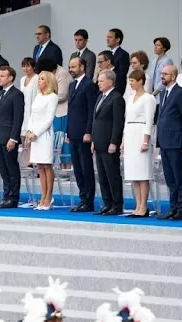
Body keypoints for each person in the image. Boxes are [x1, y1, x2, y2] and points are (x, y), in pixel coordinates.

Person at [156, 64, 182, 221]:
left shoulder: (180, 93)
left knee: (178, 176)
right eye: (162, 73)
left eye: (165, 74)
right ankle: (173, 207)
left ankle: (181, 209)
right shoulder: (164, 93)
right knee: (169, 177)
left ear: (173, 76)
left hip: (176, 141)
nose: (162, 76)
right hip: (165, 141)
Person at [65, 55, 97, 213]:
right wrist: (68, 131)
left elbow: (92, 110)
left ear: (82, 67)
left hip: (84, 133)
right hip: (73, 132)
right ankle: (82, 197)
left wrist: (88, 132)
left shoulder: (89, 84)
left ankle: (88, 200)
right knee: (77, 168)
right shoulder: (72, 86)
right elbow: (70, 110)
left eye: (74, 67)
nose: (71, 70)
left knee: (86, 167)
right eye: (70, 67)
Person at [91, 69, 124, 216]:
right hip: (98, 141)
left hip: (109, 143)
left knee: (112, 174)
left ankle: (117, 204)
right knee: (102, 175)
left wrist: (114, 142)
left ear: (110, 82)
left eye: (101, 81)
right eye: (98, 80)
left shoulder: (116, 98)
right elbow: (95, 120)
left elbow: (118, 122)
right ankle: (107, 203)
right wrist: (93, 140)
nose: (98, 83)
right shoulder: (100, 97)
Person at [122, 69, 154, 217]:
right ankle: (137, 204)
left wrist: (145, 140)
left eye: (133, 81)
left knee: (142, 172)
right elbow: (126, 118)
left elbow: (149, 120)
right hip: (130, 132)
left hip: (140, 132)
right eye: (130, 81)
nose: (131, 84)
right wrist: (123, 139)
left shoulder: (148, 98)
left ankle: (143, 206)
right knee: (133, 173)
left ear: (141, 81)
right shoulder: (130, 98)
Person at [0, 65, 24, 209]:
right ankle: (5, 195)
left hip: (9, 137)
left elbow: (18, 118)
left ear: (10, 78)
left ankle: (13, 197)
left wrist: (14, 138)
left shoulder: (16, 94)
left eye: (2, 76)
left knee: (11, 167)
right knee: (3, 168)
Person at [26, 70, 57, 210]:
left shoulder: (52, 97)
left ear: (49, 81)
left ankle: (48, 197)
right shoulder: (38, 96)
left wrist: (36, 133)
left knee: (46, 165)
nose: (39, 82)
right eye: (39, 79)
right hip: (34, 134)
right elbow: (32, 115)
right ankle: (42, 195)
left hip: (45, 135)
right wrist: (29, 130)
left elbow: (49, 118)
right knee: (39, 166)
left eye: (42, 79)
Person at [18, 57, 38, 165]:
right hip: (23, 111)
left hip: (32, 111)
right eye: (24, 66)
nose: (26, 68)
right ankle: (25, 163)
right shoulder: (22, 79)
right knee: (23, 139)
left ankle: (31, 163)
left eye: (28, 66)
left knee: (30, 140)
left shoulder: (37, 78)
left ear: (33, 67)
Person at [106, 27, 128, 94]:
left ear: (118, 39)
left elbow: (121, 75)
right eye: (107, 37)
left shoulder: (123, 54)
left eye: (110, 37)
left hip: (116, 90)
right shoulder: (106, 54)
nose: (107, 39)